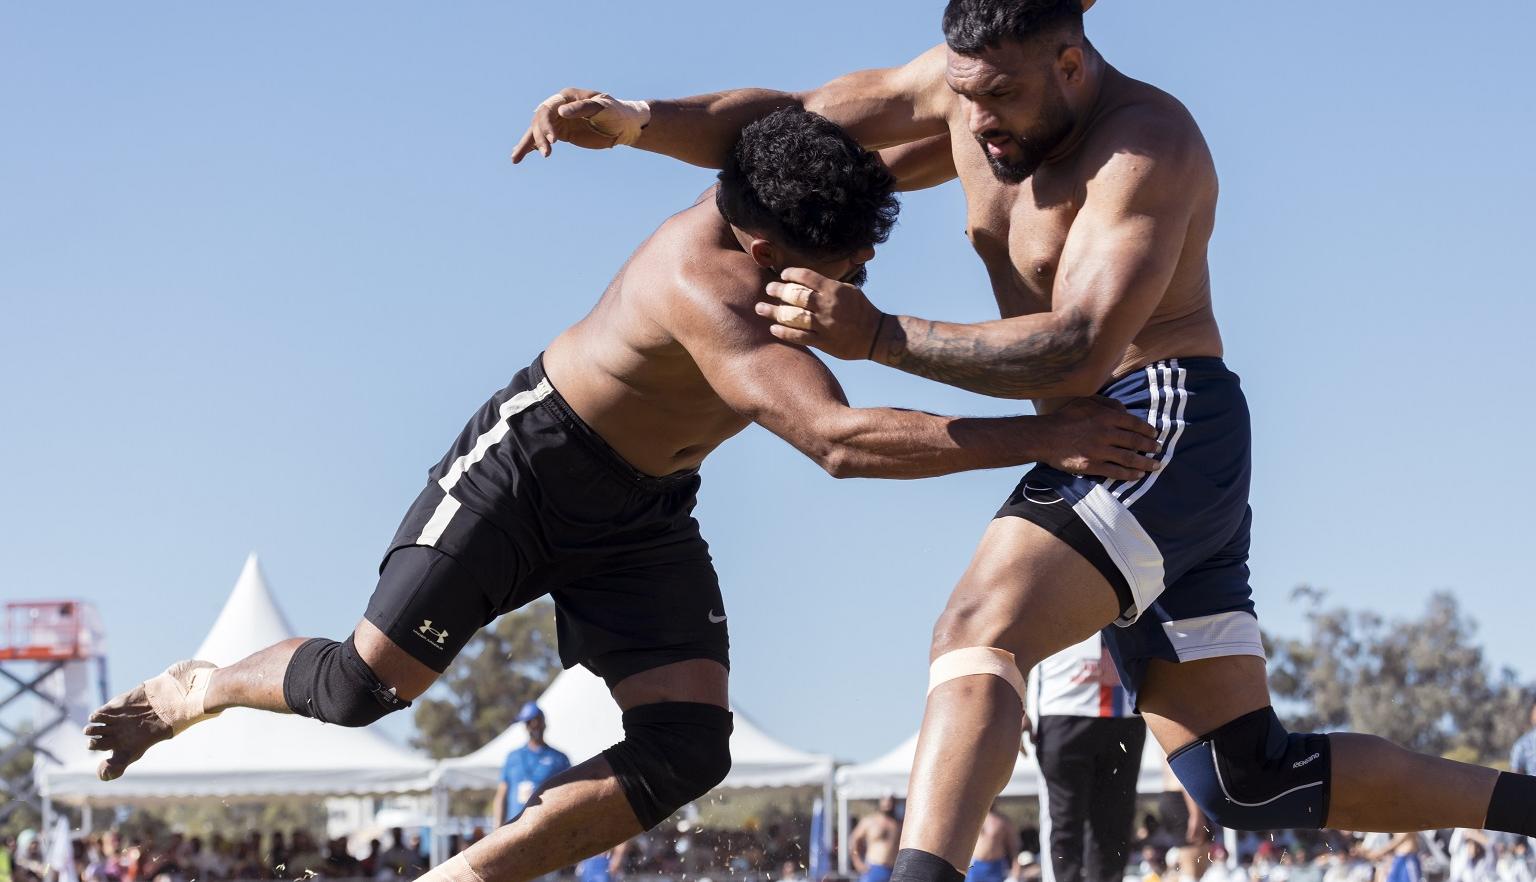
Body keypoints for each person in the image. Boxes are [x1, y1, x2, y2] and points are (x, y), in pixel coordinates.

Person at [520, 2, 1536, 877]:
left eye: (1000, 95)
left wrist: (876, 336)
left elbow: (1079, 347)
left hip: (1155, 416)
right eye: (962, 92)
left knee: (977, 630)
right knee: (1245, 776)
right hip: (1098, 438)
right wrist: (641, 121)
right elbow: (787, 130)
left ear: (1070, 62)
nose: (975, 120)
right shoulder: (961, 91)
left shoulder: (1149, 148)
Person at [86, 105, 1158, 882]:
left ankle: (468, 879)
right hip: (528, 473)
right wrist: (1050, 433)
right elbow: (836, 440)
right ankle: (206, 684)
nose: (860, 284)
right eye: (846, 265)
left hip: (645, 511)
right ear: (761, 244)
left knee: (690, 744)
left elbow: (775, 115)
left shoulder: (791, 170)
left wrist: (640, 119)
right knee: (365, 689)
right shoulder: (706, 283)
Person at [1026, 635, 1144, 882]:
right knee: (1064, 822)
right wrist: (1016, 703)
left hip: (1125, 711)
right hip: (1062, 707)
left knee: (1114, 825)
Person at [493, 703, 573, 824]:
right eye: (529, 722)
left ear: (544, 723)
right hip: (514, 827)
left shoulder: (559, 759)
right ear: (525, 726)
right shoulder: (513, 757)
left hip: (548, 826)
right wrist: (497, 828)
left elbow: (570, 794)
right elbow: (501, 794)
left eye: (537, 721)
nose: (534, 726)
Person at [852, 797, 904, 882]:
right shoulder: (870, 821)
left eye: (891, 800)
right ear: (880, 801)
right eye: (886, 799)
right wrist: (857, 862)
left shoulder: (899, 824)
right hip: (873, 868)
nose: (888, 803)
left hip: (893, 869)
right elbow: (854, 840)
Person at [966, 804, 1018, 882]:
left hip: (995, 866)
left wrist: (1015, 872)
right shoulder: (973, 818)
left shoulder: (1003, 821)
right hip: (974, 865)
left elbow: (1013, 848)